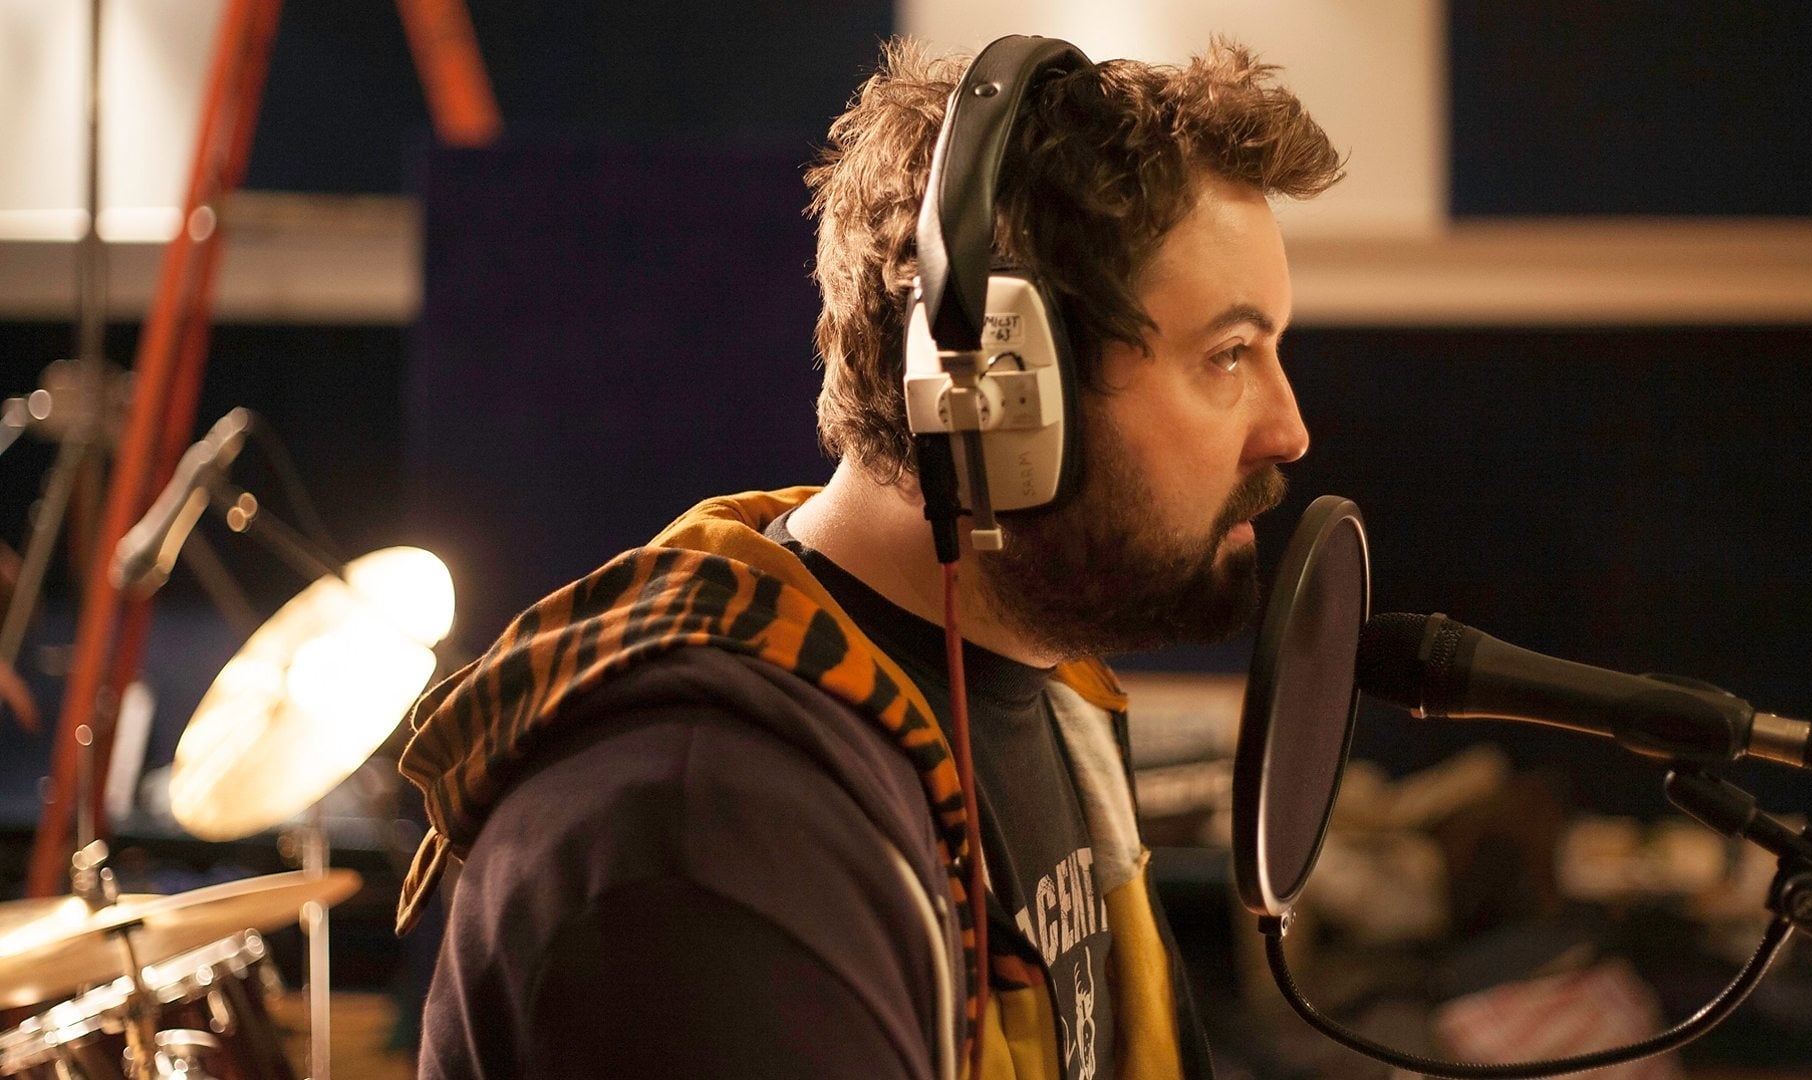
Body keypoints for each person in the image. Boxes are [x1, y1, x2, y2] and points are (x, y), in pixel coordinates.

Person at [396, 34, 1340, 1080]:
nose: (1289, 429)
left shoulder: (1053, 696)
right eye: (1227, 356)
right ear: (998, 396)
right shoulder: (708, 846)